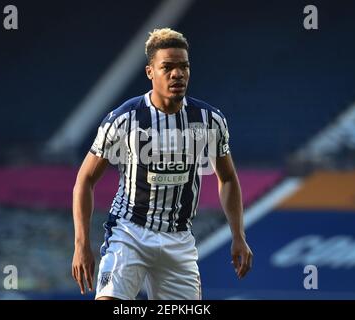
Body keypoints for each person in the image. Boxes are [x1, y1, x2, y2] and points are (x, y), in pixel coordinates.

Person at [71, 28, 253, 300]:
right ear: (150, 72)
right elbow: (85, 180)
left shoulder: (209, 120)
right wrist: (81, 244)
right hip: (129, 232)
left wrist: (238, 235)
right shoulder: (124, 119)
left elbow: (227, 178)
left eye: (183, 67)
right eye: (167, 67)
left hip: (178, 240)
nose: (177, 74)